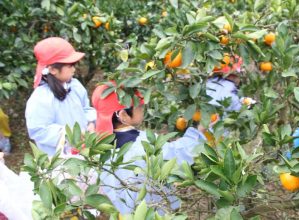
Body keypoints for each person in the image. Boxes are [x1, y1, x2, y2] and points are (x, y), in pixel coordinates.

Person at [92, 83, 206, 214]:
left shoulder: (98, 148)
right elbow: (179, 156)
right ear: (123, 115)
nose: (143, 109)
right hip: (157, 212)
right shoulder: (144, 143)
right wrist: (198, 132)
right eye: (139, 107)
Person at [25, 37, 96, 156]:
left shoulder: (75, 85)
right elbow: (39, 130)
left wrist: (91, 122)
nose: (74, 69)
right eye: (70, 65)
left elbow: (86, 108)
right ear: (53, 69)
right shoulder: (40, 99)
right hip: (59, 161)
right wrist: (71, 134)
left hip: (84, 151)